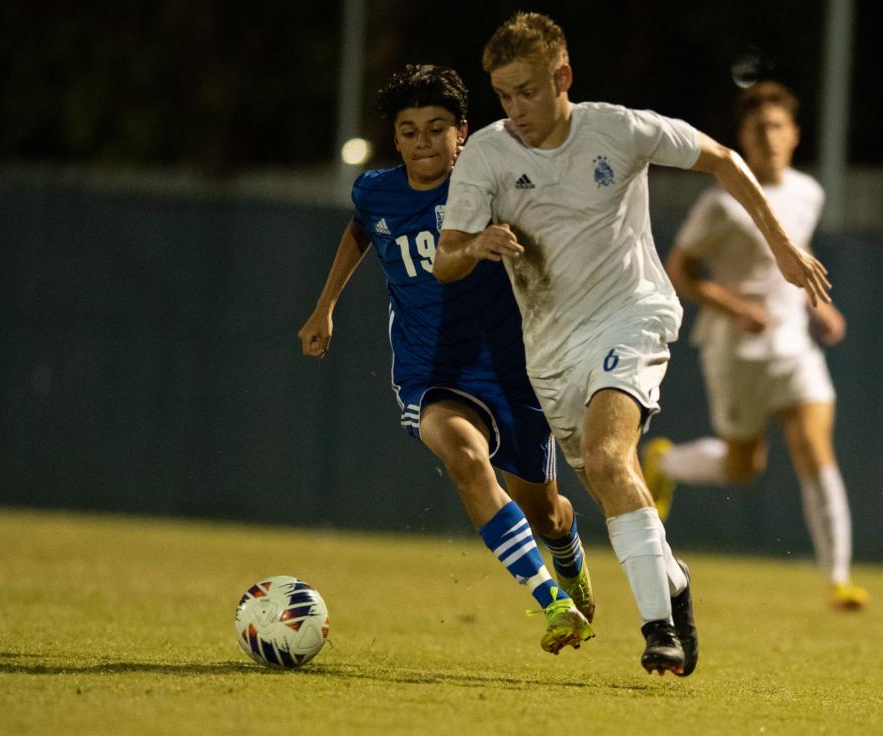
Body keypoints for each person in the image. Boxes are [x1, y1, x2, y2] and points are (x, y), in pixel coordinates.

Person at [434, 13, 831, 676]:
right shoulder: (488, 155)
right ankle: (670, 579)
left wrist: (784, 249)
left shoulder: (618, 128)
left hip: (633, 316)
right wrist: (474, 246)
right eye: (503, 95)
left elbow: (724, 160)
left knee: (609, 457)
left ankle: (658, 629)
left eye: (527, 90)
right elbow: (446, 259)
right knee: (608, 480)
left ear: (562, 77)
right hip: (551, 350)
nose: (515, 108)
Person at [298, 64, 596, 655]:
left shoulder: (495, 185)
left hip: (513, 372)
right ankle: (552, 604)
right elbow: (362, 228)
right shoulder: (376, 190)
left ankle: (565, 551)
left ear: (463, 133)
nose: (422, 143)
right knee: (464, 455)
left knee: (548, 515)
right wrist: (325, 305)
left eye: (436, 129)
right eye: (409, 131)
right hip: (430, 371)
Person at [642, 81, 868, 611]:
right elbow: (680, 271)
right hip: (735, 350)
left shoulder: (809, 193)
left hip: (794, 349)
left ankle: (838, 578)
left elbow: (796, 249)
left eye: (776, 127)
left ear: (794, 135)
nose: (767, 136)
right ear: (742, 137)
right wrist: (734, 307)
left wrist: (821, 305)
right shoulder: (722, 203)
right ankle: (666, 460)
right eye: (757, 128)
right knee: (745, 468)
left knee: (815, 449)